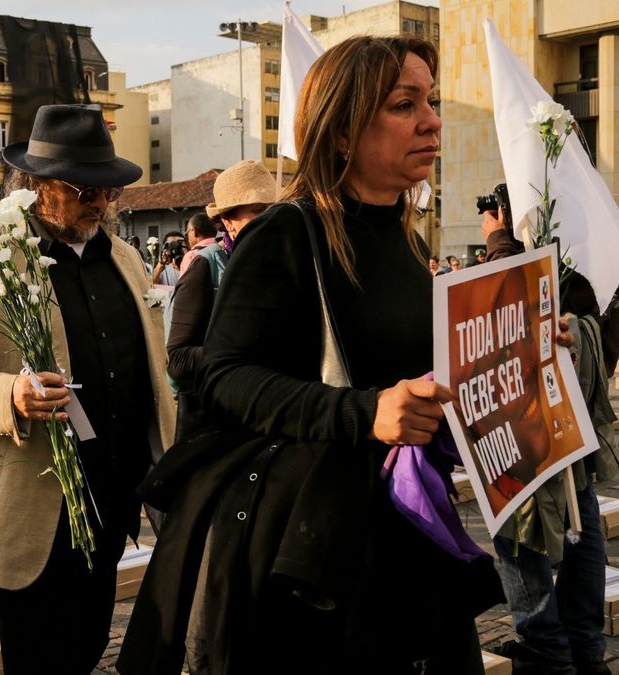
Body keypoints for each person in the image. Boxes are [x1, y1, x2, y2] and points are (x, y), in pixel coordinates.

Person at [121, 37, 504, 674]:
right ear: (343, 130)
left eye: (430, 101)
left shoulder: (407, 243)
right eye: (404, 105)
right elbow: (223, 377)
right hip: (317, 550)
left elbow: (423, 373)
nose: (432, 120)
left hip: (403, 528)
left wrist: (514, 350)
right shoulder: (287, 231)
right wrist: (364, 412)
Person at [0, 103, 175, 674]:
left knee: (87, 645)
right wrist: (11, 394)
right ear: (36, 185)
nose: (101, 203)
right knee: (39, 658)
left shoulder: (129, 261)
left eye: (108, 191)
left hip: (114, 499)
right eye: (85, 190)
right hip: (35, 505)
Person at [479, 209, 614, 675]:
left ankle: (546, 642)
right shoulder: (594, 233)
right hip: (563, 405)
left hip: (540, 405)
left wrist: (498, 239)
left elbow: (512, 296)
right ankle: (584, 645)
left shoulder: (563, 238)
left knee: (514, 510)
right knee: (578, 508)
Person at [166, 160, 275, 442]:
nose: (269, 221)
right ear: (227, 221)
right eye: (258, 212)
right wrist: (239, 348)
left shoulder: (279, 264)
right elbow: (176, 360)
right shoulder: (206, 266)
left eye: (273, 211)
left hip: (268, 415)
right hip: (216, 423)